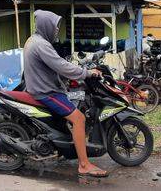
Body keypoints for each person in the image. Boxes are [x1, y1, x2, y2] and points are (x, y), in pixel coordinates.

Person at [23, 9, 108, 179]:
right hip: (47, 92)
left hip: (40, 88)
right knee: (79, 119)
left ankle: (66, 148)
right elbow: (61, 65)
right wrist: (87, 73)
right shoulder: (41, 45)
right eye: (54, 27)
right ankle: (84, 165)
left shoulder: (34, 40)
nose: (56, 30)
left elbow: (54, 66)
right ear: (46, 26)